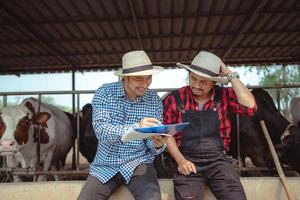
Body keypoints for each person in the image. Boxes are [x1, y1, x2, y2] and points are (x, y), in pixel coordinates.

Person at [163, 51, 256, 200]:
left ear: (214, 82)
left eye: (204, 82)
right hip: (187, 160)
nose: (196, 85)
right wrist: (180, 161)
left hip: (219, 161)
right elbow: (167, 133)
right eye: (193, 79)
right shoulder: (174, 98)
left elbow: (250, 105)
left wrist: (229, 74)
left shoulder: (224, 95)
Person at [78, 50, 167, 200]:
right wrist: (137, 127)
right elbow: (102, 131)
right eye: (139, 79)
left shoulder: (154, 100)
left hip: (139, 164)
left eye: (149, 78)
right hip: (105, 165)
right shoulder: (104, 93)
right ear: (125, 77)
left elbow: (151, 145)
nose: (145, 84)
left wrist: (157, 144)